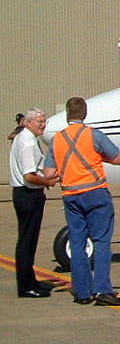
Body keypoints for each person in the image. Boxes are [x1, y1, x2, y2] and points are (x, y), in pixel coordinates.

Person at [42, 96, 120, 306]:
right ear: (84, 114)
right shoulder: (93, 135)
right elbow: (118, 158)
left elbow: (50, 172)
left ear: (67, 114)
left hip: (71, 195)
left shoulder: (57, 139)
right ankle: (102, 290)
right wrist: (98, 158)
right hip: (95, 193)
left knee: (78, 244)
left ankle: (82, 292)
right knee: (102, 241)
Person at [9, 108, 59, 298]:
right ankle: (26, 286)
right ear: (28, 122)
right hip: (28, 195)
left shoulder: (23, 138)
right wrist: (47, 182)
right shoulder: (28, 142)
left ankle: (30, 281)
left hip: (24, 194)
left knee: (28, 241)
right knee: (27, 242)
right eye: (39, 122)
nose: (43, 125)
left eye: (44, 121)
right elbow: (29, 176)